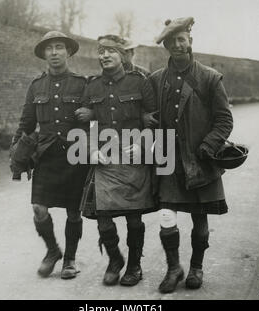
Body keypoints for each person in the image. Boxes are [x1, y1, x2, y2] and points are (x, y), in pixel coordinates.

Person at [145, 17, 234, 293]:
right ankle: (174, 268)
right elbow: (149, 115)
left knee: (200, 219)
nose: (177, 45)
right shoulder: (156, 79)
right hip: (168, 161)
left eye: (181, 39)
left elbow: (224, 120)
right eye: (171, 41)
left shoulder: (209, 77)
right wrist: (147, 118)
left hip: (199, 161)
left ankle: (196, 266)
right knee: (166, 217)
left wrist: (208, 146)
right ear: (167, 46)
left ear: (191, 42)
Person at [11, 30, 92, 280]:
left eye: (59, 47)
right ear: (44, 54)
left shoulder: (82, 84)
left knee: (73, 212)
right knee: (39, 208)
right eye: (50, 48)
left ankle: (70, 259)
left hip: (75, 155)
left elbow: (96, 117)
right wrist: (16, 153)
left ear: (68, 52)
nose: (55, 52)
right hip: (46, 155)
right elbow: (26, 123)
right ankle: (53, 251)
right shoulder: (36, 86)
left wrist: (92, 115)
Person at [80, 34, 157, 287]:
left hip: (133, 158)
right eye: (101, 51)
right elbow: (88, 124)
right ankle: (115, 260)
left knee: (134, 218)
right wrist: (91, 149)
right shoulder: (92, 86)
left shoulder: (140, 82)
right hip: (104, 158)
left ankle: (135, 265)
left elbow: (154, 119)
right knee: (103, 218)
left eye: (110, 51)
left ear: (122, 55)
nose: (104, 55)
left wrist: (142, 145)